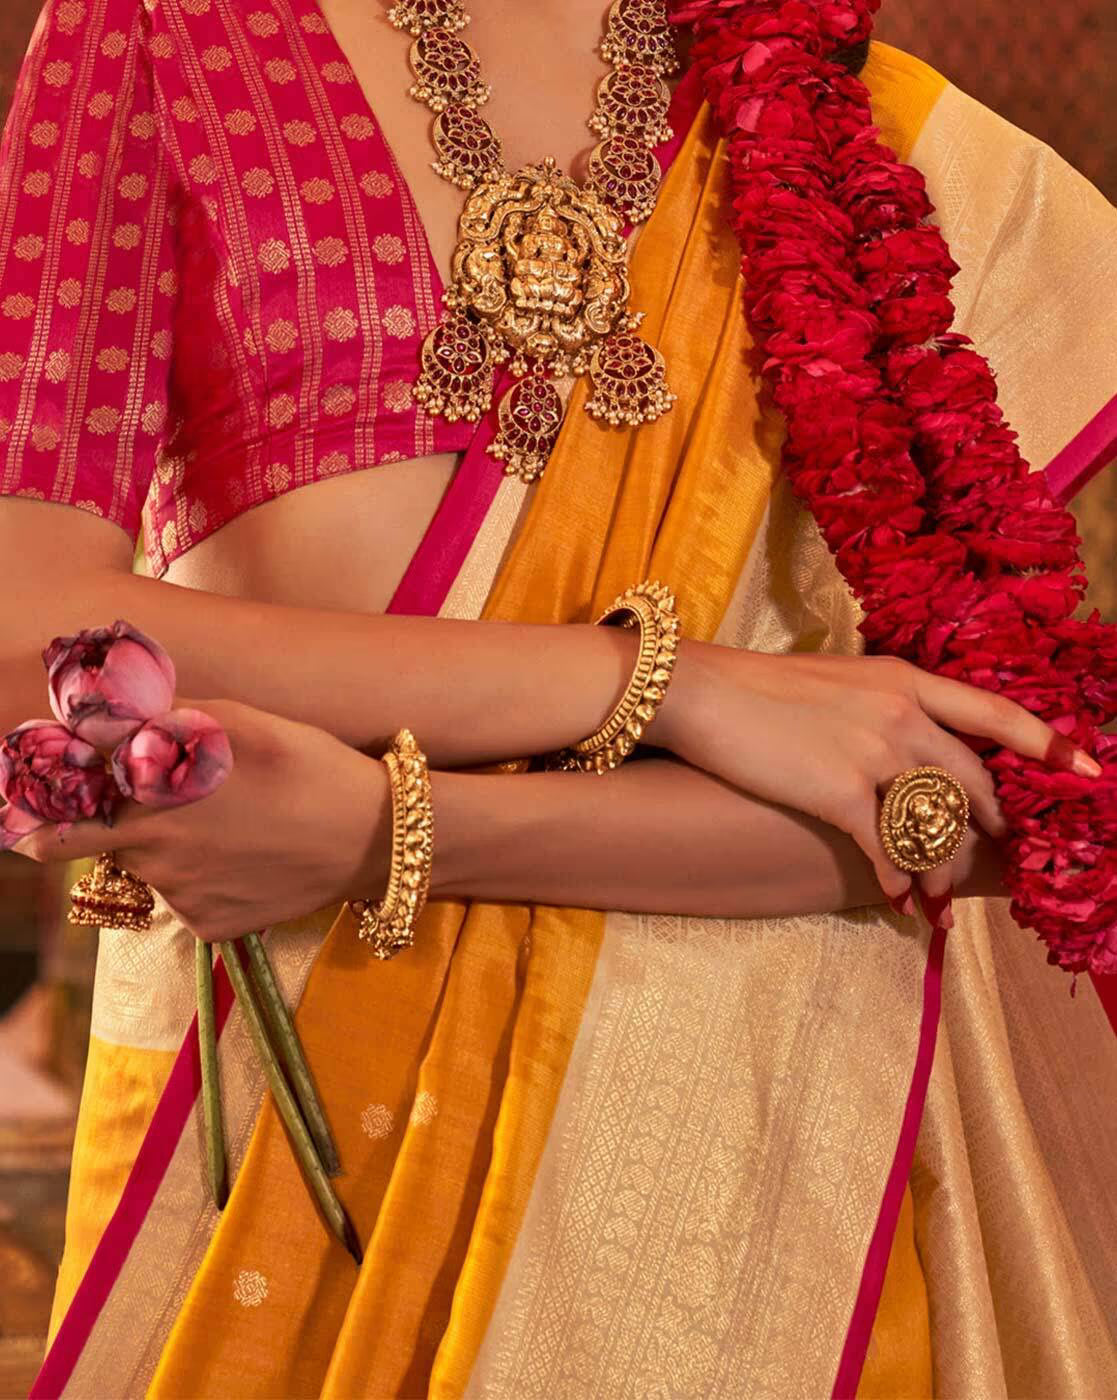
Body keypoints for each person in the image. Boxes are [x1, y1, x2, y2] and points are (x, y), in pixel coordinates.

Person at [1, 0, 1115, 1394]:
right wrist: (665, 688)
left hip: (766, 1202)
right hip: (309, 1129)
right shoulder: (166, 32)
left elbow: (1019, 804)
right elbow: (26, 630)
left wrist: (383, 830)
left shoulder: (894, 152)